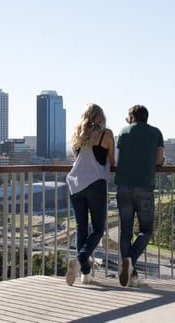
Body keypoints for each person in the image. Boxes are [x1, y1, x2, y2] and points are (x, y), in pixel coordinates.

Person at [65, 103, 115, 285]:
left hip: (75, 185)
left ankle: (85, 275)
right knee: (99, 228)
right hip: (95, 184)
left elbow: (77, 160)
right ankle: (81, 258)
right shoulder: (106, 134)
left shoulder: (77, 135)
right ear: (101, 117)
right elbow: (111, 160)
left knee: (81, 229)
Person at [115, 104, 164, 287]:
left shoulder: (124, 132)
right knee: (147, 230)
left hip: (124, 186)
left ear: (132, 116)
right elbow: (159, 160)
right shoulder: (156, 132)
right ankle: (130, 262)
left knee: (126, 231)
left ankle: (128, 267)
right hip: (144, 186)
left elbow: (120, 158)